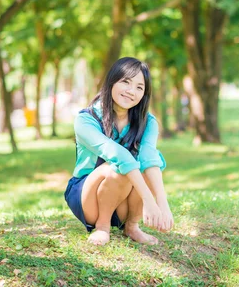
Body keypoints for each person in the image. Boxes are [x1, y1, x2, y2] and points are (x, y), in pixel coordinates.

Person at [64, 57, 173, 246]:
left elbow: (149, 158)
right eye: (126, 82)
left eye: (140, 87)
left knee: (145, 166)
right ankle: (102, 227)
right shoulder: (86, 119)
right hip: (87, 196)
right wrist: (148, 199)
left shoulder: (148, 122)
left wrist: (162, 204)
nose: (132, 91)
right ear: (112, 81)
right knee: (117, 167)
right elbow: (117, 154)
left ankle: (132, 226)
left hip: (122, 198)